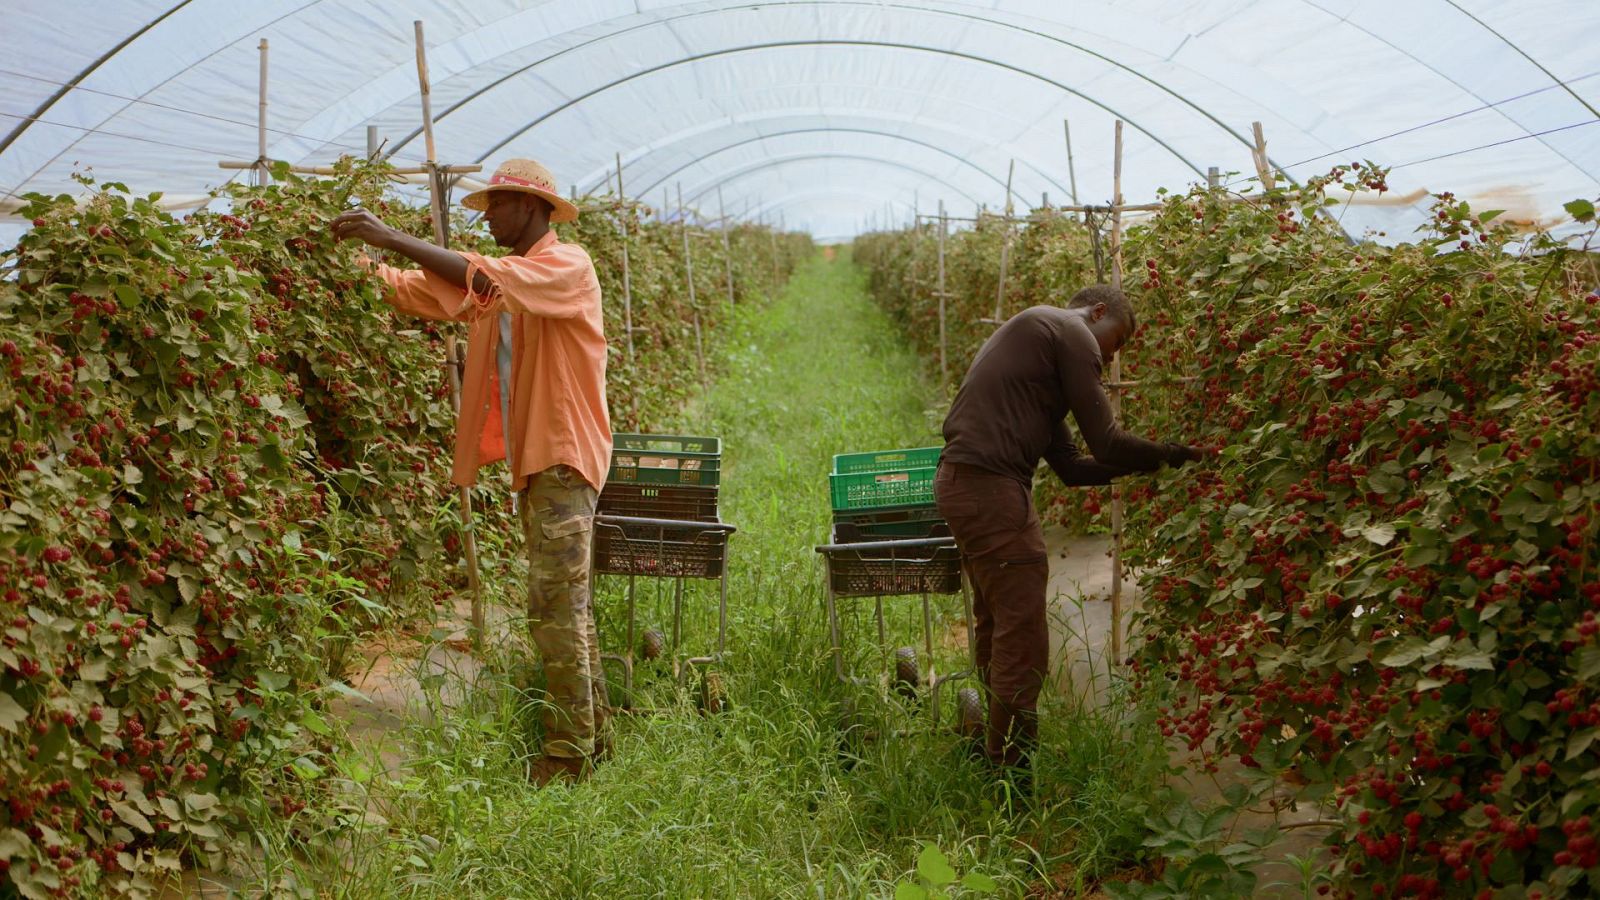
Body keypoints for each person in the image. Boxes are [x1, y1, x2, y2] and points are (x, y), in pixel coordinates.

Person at [329, 159, 612, 786]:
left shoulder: (566, 266)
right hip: (541, 461)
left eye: (497, 208)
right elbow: (419, 288)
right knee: (568, 607)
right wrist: (345, 261)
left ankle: (567, 758)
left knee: (553, 611)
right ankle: (596, 740)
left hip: (563, 456)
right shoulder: (503, 280)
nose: (487, 219)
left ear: (534, 207)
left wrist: (389, 233)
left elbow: (488, 277)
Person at [935, 284, 1203, 789]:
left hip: (963, 485)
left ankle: (987, 744)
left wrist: (1151, 469)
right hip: (990, 491)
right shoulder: (1071, 330)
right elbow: (1108, 440)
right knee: (1024, 635)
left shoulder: (1040, 347)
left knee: (998, 619)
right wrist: (1173, 454)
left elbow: (1075, 468)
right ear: (1098, 312)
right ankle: (1011, 779)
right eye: (1116, 340)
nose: (1109, 355)